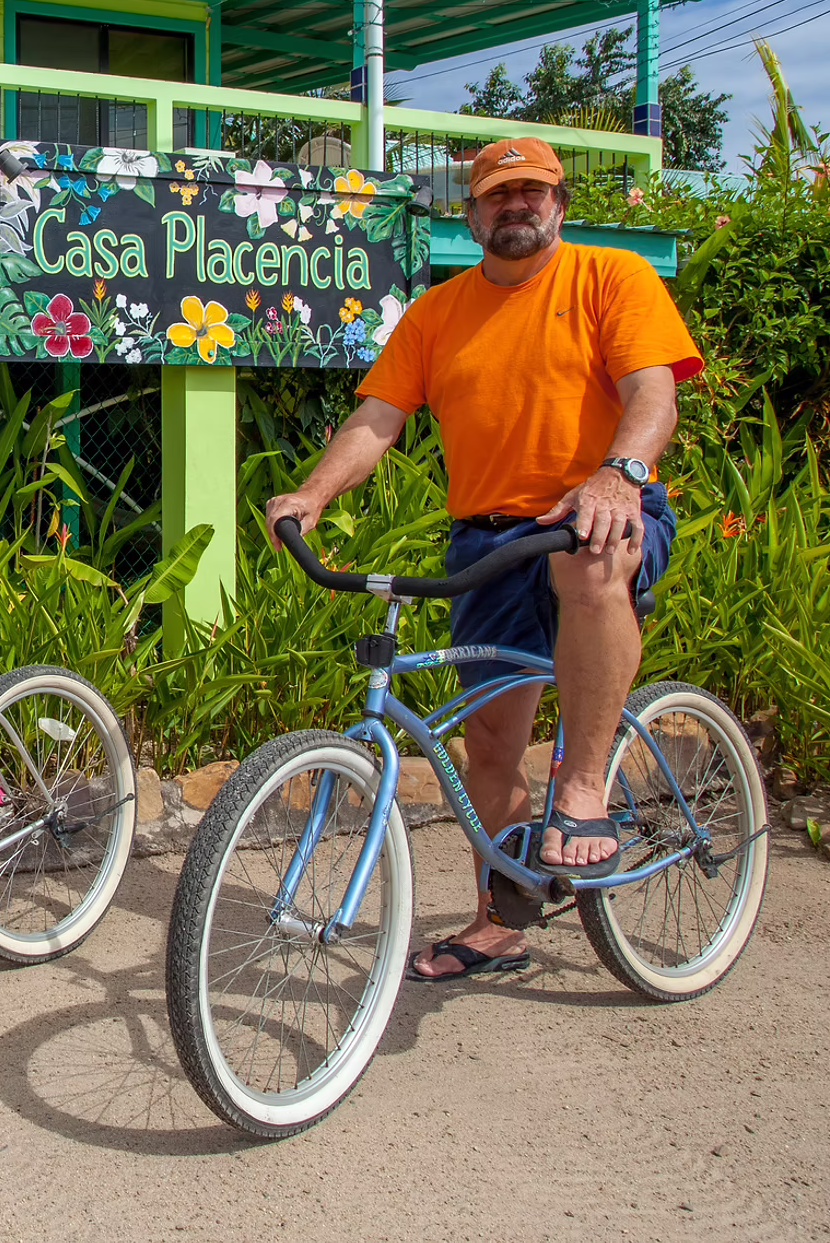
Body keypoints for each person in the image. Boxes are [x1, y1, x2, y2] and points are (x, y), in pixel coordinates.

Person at [263, 137, 702, 982]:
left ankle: (582, 790)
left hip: (603, 507)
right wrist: (313, 493)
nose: (517, 205)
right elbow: (376, 420)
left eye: (534, 191)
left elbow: (654, 391)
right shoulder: (437, 313)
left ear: (559, 205)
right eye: (499, 194)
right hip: (489, 540)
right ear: (471, 216)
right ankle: (499, 923)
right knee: (492, 745)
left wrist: (619, 473)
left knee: (587, 560)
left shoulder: (610, 278)